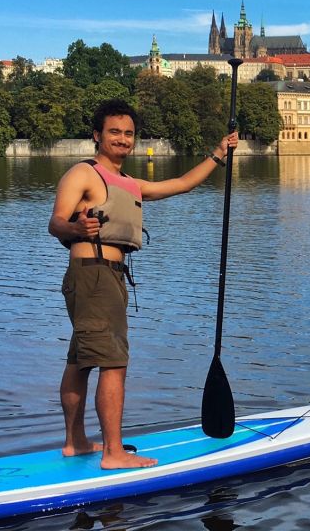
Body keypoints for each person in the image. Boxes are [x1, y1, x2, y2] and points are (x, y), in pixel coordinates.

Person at [48, 99, 238, 470]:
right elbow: (55, 222)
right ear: (97, 136)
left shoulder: (129, 183)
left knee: (80, 361)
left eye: (128, 133)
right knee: (112, 362)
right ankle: (113, 453)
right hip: (94, 274)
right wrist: (75, 228)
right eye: (114, 132)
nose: (122, 139)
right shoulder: (83, 174)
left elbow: (182, 184)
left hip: (106, 277)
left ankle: (76, 443)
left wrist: (218, 153)